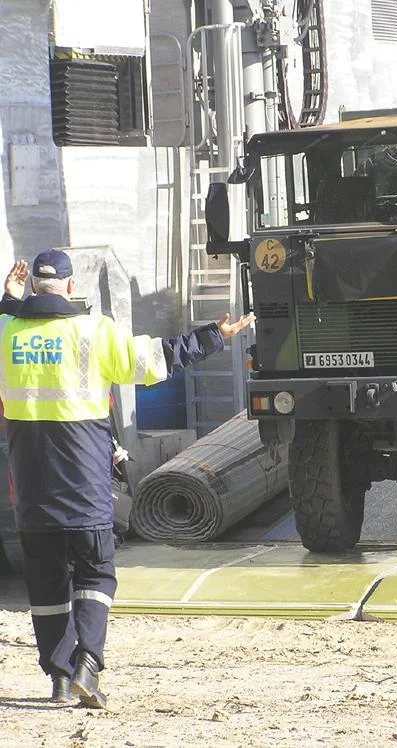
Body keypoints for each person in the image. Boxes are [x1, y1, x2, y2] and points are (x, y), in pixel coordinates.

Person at [0, 250, 254, 709]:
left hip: (32, 488)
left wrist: (8, 303)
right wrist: (214, 336)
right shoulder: (93, 333)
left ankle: (58, 677)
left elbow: (8, 329)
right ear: (72, 286)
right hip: (83, 484)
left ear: (32, 286)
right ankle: (88, 666)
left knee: (46, 584)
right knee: (96, 573)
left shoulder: (5, 333)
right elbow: (154, 360)